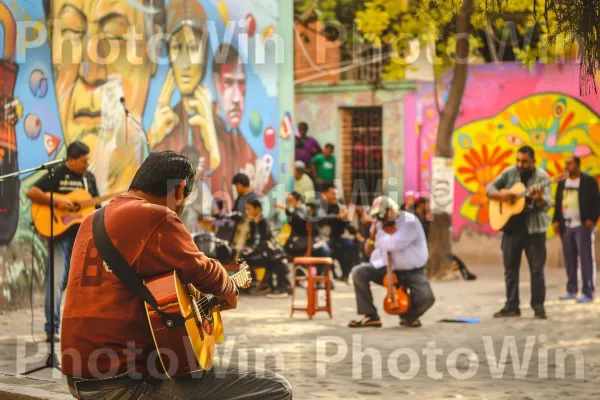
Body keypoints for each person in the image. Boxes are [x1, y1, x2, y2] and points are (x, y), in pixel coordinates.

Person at [60, 151, 292, 399]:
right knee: (276, 389)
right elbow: (203, 270)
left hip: (78, 377)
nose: (180, 210)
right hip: (124, 381)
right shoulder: (156, 216)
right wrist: (229, 287)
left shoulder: (91, 220)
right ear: (179, 190)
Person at [44, 0, 163, 193]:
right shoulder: (25, 208)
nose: (90, 72)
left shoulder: (168, 194)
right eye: (72, 31)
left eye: (114, 36)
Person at [27, 141, 99, 343]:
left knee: (74, 282)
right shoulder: (57, 173)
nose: (87, 164)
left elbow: (96, 206)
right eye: (84, 160)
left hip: (81, 238)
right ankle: (52, 329)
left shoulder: (89, 179)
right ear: (71, 160)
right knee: (56, 280)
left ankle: (79, 328)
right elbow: (32, 192)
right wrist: (58, 202)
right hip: (59, 236)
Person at [348, 196, 434, 328]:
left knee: (426, 298)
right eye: (378, 217)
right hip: (387, 268)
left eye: (383, 216)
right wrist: (371, 237)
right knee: (358, 272)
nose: (381, 220)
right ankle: (370, 315)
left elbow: (393, 244)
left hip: (413, 271)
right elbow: (368, 251)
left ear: (392, 211)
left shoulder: (409, 221)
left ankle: (408, 316)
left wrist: (380, 233)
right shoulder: (380, 224)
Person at [487, 145, 552, 319]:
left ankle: (538, 306)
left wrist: (539, 199)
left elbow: (548, 205)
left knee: (537, 270)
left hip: (534, 231)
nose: (520, 164)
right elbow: (489, 189)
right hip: (511, 230)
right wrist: (504, 197)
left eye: (524, 161)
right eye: (518, 160)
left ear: (533, 161)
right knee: (510, 269)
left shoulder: (542, 177)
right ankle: (511, 306)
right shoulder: (509, 173)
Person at [552, 155, 600, 303]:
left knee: (585, 259)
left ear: (578, 165)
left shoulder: (588, 181)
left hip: (583, 225)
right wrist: (555, 221)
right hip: (566, 225)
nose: (567, 166)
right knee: (569, 259)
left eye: (570, 163)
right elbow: (558, 202)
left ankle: (588, 291)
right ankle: (571, 290)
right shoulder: (562, 182)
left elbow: (596, 201)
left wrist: (592, 219)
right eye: (566, 164)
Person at [243, 198, 291, 298]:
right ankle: (268, 284)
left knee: (277, 259)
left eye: (249, 209)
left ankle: (280, 287)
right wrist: (248, 248)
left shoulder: (263, 222)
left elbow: (264, 242)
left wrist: (252, 249)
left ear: (257, 209)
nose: (247, 211)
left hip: (265, 252)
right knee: (274, 258)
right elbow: (251, 241)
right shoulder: (252, 223)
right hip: (259, 252)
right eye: (246, 209)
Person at [317, 184, 356, 282]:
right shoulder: (319, 205)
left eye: (336, 194)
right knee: (327, 247)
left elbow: (348, 226)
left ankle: (346, 275)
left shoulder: (338, 207)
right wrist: (337, 217)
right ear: (324, 194)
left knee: (350, 244)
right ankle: (325, 275)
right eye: (332, 194)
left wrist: (347, 219)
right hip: (320, 239)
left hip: (335, 238)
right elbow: (321, 219)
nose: (335, 197)